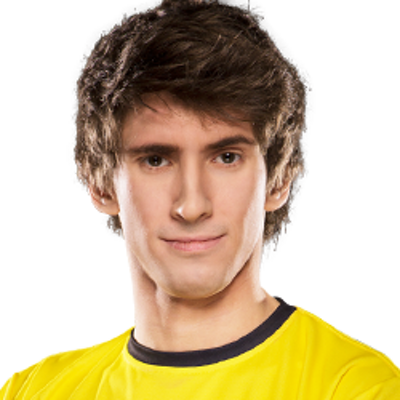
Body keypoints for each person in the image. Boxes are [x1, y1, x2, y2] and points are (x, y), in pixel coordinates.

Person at [1, 0, 399, 398]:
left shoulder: (358, 388)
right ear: (100, 184)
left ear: (278, 180)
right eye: (156, 160)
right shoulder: (33, 391)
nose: (191, 207)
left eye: (227, 157)